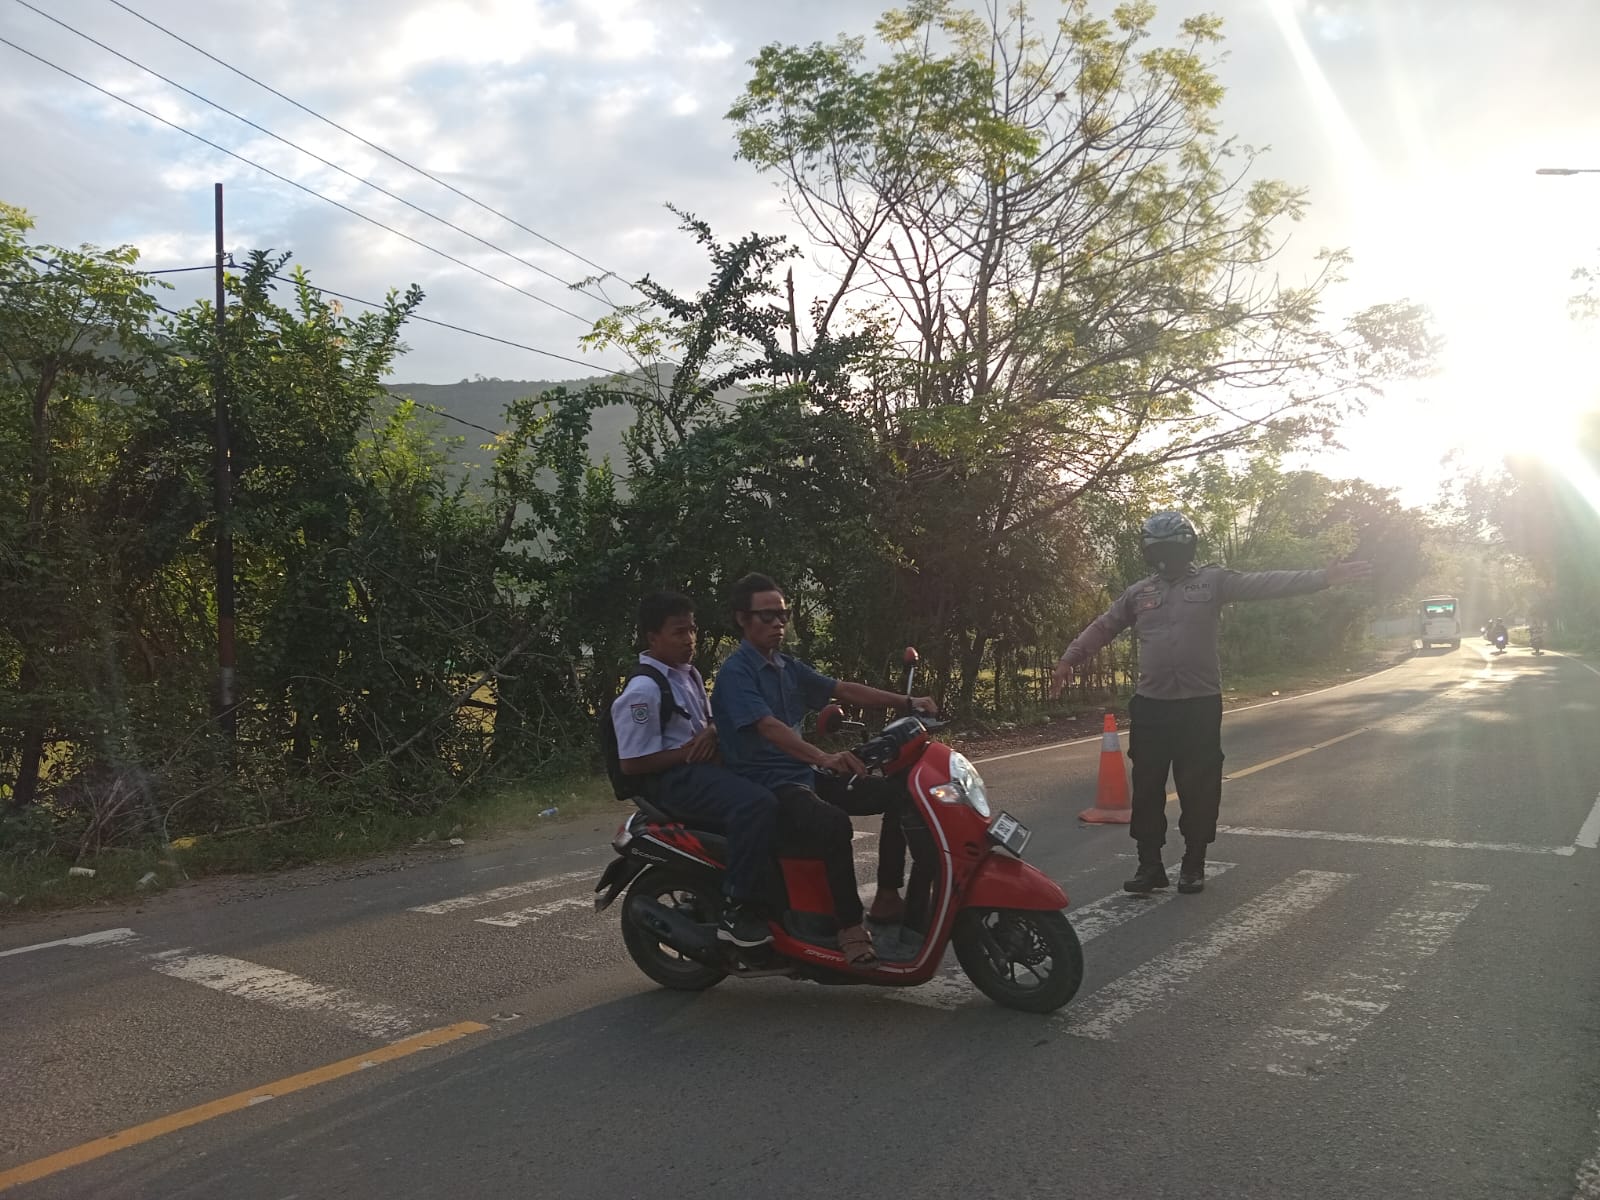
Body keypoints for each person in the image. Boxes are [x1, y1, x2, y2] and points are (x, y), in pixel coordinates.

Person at [1049, 511, 1372, 896]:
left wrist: (1322, 577)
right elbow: (1104, 626)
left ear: (1187, 547)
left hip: (1199, 706)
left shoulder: (1213, 581)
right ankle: (1149, 865)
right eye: (1158, 550)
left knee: (1198, 787)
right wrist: (1069, 659)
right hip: (1151, 705)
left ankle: (1193, 862)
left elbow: (1264, 584)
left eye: (1171, 548)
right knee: (1147, 788)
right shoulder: (1139, 593)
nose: (1166, 556)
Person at [712, 572, 938, 968]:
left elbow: (843, 689)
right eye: (767, 616)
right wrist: (823, 757)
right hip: (767, 782)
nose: (779, 623)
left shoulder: (786, 666)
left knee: (902, 794)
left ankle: (887, 896)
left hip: (802, 773)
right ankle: (849, 928)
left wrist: (908, 702)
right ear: (742, 619)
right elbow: (768, 727)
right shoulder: (736, 673)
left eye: (783, 615)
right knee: (832, 823)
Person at [610, 591, 779, 949]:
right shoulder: (643, 690)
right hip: (671, 782)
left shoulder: (687, 674)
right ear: (653, 637)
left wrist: (713, 732)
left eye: (692, 630)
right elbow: (632, 762)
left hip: (700, 771)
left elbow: (710, 721)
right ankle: (739, 908)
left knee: (780, 784)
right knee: (755, 804)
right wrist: (686, 754)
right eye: (679, 632)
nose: (689, 639)